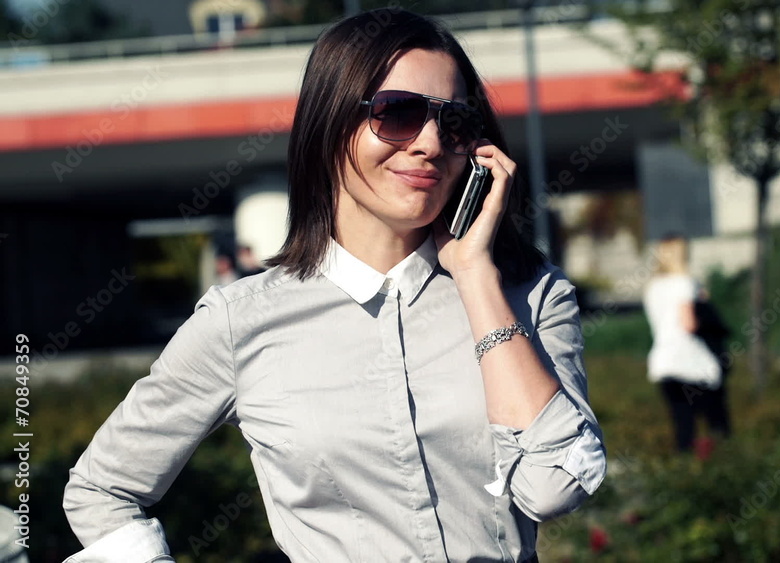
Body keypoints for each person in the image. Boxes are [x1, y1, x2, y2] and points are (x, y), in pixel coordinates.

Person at [61, 9, 606, 562]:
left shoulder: (531, 296)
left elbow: (554, 487)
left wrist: (474, 275)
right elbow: (100, 490)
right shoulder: (241, 320)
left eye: (455, 121)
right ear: (328, 126)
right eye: (398, 114)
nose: (430, 143)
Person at [642, 233, 731, 453]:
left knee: (682, 424)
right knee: (717, 421)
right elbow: (688, 323)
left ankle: (685, 468)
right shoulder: (685, 283)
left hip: (663, 361)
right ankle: (719, 463)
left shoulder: (652, 287)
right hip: (690, 361)